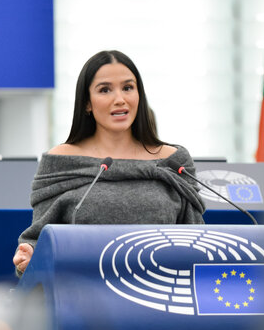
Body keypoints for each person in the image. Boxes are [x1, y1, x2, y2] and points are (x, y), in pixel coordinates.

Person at [13, 50, 205, 276]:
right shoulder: (61, 162)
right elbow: (39, 238)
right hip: (84, 297)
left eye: (128, 88)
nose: (120, 99)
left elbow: (196, 241)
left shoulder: (174, 161)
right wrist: (30, 255)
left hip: (162, 294)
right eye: (105, 90)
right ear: (87, 103)